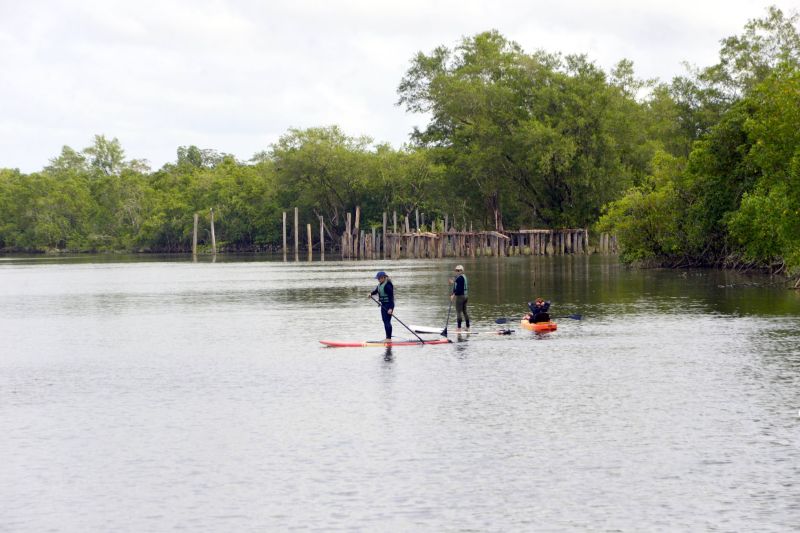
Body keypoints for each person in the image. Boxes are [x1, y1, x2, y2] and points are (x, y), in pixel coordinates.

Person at [369, 271, 394, 342]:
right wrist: (371, 294)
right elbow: (376, 291)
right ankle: (388, 337)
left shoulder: (388, 286)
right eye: (377, 278)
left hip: (388, 305)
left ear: (383, 278)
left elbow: (391, 298)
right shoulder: (380, 284)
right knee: (385, 321)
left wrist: (391, 308)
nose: (378, 280)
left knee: (387, 321)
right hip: (383, 305)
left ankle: (388, 338)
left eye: (379, 278)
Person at [449, 264, 470, 331]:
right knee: (464, 311)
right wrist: (453, 293)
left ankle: (459, 328)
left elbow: (459, 290)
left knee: (458, 312)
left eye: (458, 270)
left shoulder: (460, 278)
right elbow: (456, 286)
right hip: (466, 296)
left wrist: (453, 295)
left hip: (460, 296)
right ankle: (467, 327)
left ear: (462, 271)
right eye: (456, 270)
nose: (457, 271)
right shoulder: (462, 277)